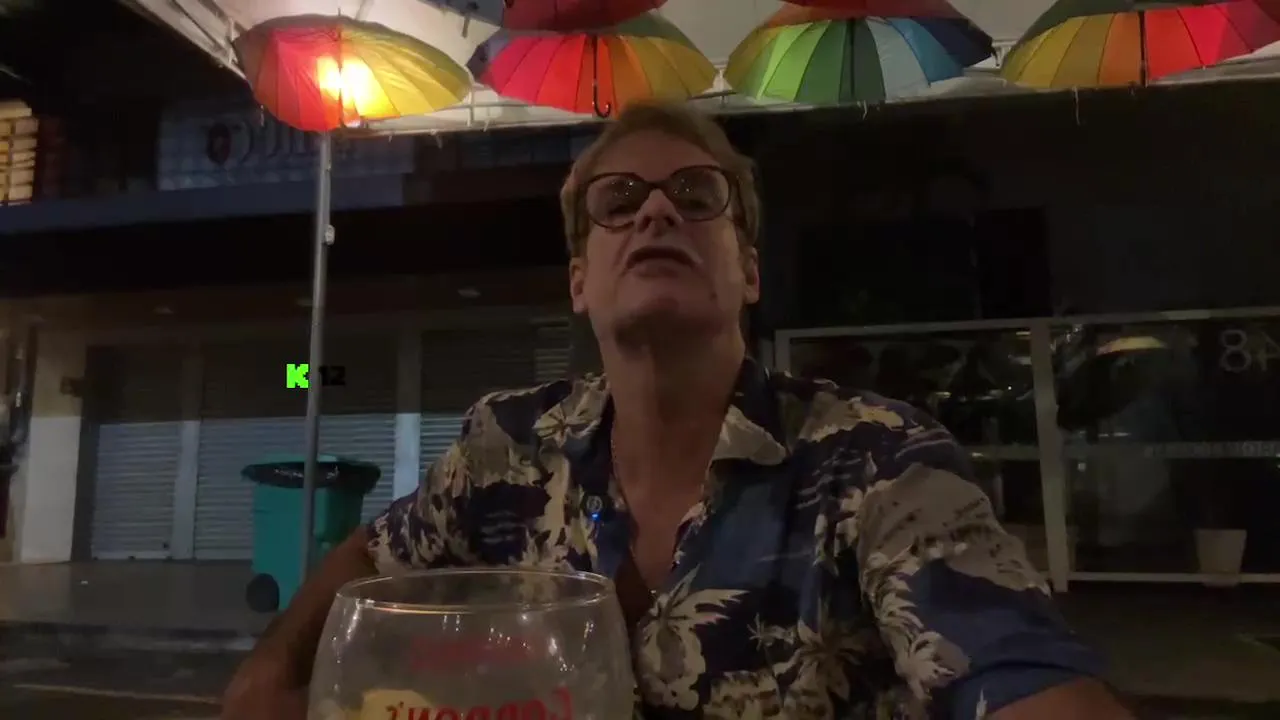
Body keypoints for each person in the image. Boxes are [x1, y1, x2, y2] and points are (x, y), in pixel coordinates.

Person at [223, 101, 1134, 720]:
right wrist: (271, 667)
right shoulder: (505, 445)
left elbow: (1019, 671)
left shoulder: (877, 462)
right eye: (618, 203)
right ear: (579, 282)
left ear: (749, 271)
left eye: (696, 196)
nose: (657, 213)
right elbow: (374, 554)